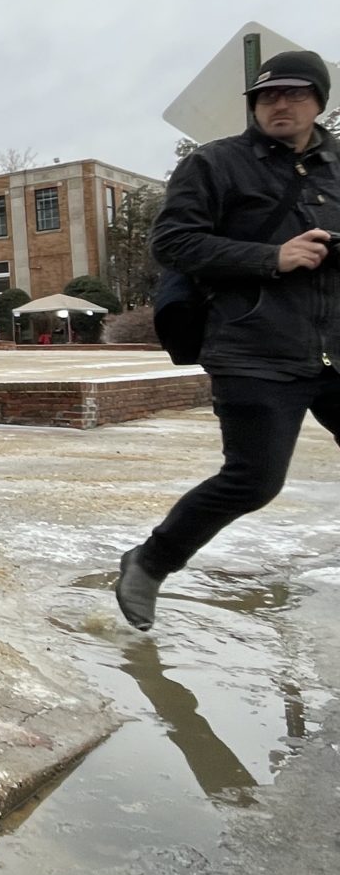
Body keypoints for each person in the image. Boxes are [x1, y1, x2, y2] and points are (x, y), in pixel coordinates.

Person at [117, 49, 340, 632]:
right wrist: (273, 257)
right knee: (254, 480)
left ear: (319, 100)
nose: (281, 104)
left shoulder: (338, 166)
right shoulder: (216, 164)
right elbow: (173, 243)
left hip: (334, 344)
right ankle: (150, 562)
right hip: (255, 346)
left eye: (294, 93)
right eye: (268, 95)